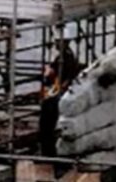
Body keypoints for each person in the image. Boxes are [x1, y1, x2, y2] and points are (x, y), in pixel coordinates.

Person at [39, 24, 83, 157]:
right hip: (63, 93)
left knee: (48, 124)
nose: (56, 44)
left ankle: (49, 153)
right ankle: (53, 152)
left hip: (59, 95)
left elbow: (49, 75)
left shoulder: (63, 59)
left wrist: (48, 73)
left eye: (58, 42)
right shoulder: (68, 57)